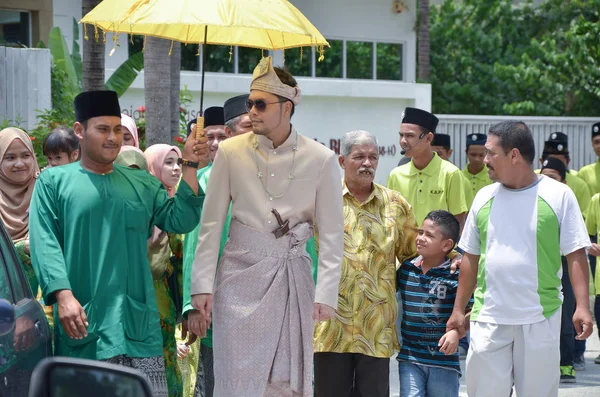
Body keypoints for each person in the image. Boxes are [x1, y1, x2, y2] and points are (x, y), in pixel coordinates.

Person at [28, 90, 208, 396]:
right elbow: (45, 242)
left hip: (136, 324)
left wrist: (190, 161)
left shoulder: (142, 183)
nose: (112, 138)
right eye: (103, 129)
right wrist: (63, 296)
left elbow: (181, 220)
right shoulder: (53, 182)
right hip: (83, 321)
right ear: (79, 131)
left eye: (117, 130)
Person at [189, 56, 344, 397]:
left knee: (283, 385)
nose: (251, 112)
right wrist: (201, 286)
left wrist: (326, 293)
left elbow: (332, 234)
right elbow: (211, 224)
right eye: (249, 103)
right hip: (237, 280)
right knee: (235, 380)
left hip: (292, 278)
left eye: (260, 104)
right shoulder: (230, 151)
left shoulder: (322, 159)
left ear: (286, 107)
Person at [447, 121, 593, 397]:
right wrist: (457, 309)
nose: (485, 160)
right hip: (488, 319)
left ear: (513, 155)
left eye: (491, 153)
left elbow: (576, 254)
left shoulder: (559, 195)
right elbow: (470, 258)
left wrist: (582, 306)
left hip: (540, 318)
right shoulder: (483, 197)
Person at [313, 130, 417, 397]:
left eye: (373, 157)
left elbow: (412, 258)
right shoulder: (320, 200)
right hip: (330, 327)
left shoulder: (396, 205)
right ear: (342, 161)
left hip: (376, 329)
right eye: (359, 157)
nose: (367, 163)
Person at [397, 210, 472, 397]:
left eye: (429, 235)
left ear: (447, 245)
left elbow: (473, 310)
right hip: (410, 359)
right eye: (420, 232)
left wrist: (456, 331)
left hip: (444, 362)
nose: (420, 238)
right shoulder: (406, 270)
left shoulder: (456, 275)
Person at [181, 105, 227, 397]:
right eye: (209, 136)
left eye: (222, 136)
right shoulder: (200, 181)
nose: (214, 143)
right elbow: (192, 248)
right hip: (213, 304)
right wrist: (191, 305)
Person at [145, 143, 186, 397]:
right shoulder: (144, 207)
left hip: (166, 304)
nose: (176, 169)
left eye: (179, 162)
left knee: (166, 365)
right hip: (141, 302)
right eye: (168, 162)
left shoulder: (177, 205)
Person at [387, 107, 468, 229]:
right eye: (401, 135)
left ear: (429, 138)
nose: (403, 141)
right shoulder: (396, 175)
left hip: (439, 248)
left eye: (409, 135)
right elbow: (391, 218)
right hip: (404, 248)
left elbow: (458, 222)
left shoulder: (450, 173)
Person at [540, 158, 579, 383]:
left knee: (565, 315)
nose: (546, 181)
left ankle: (567, 363)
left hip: (563, 263)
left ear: (563, 181)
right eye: (543, 175)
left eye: (552, 177)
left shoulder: (566, 200)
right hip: (542, 264)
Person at [0, 127, 41, 294]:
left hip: (49, 299)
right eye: (10, 157)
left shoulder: (47, 189)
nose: (19, 163)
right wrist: (19, 249)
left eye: (26, 155)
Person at [463, 133, 493, 199]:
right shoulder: (459, 176)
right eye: (473, 155)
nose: (477, 159)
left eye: (481, 155)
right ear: (466, 153)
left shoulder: (493, 177)